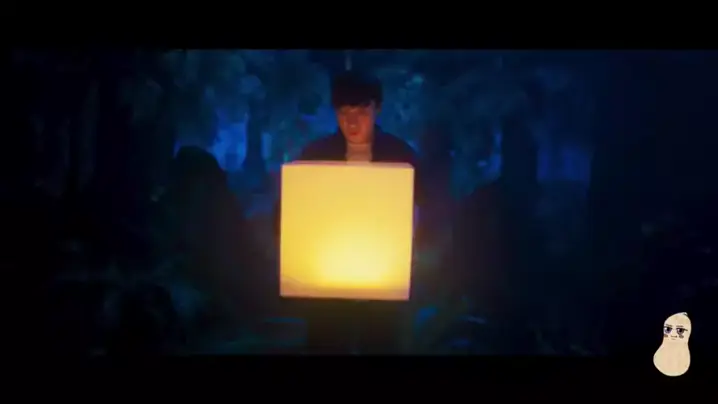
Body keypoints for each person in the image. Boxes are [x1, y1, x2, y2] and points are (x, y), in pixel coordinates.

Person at [275, 71, 424, 354]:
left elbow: (427, 212)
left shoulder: (401, 156)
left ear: (377, 108)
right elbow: (288, 213)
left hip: (384, 286)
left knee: (381, 343)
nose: (352, 123)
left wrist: (413, 249)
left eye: (362, 112)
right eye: (344, 113)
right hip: (325, 286)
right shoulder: (315, 156)